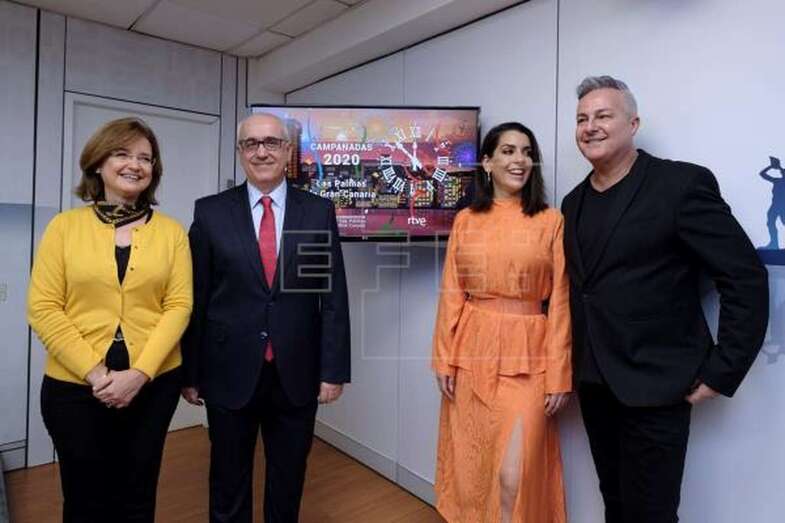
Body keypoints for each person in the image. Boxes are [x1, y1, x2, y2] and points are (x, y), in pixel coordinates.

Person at [561, 75, 769, 522]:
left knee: (652, 515)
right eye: (581, 119)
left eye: (603, 115)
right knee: (615, 505)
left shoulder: (679, 184)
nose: (590, 127)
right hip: (595, 386)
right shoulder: (572, 203)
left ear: (633, 124)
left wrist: (723, 369)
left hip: (657, 385)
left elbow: (744, 277)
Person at [181, 113, 350, 523]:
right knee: (228, 482)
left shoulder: (317, 212)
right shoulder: (210, 212)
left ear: (288, 150)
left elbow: (331, 296)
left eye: (272, 142)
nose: (261, 152)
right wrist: (190, 372)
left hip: (296, 372)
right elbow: (196, 298)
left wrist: (333, 371)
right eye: (251, 143)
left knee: (287, 482)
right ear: (240, 152)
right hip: (228, 370)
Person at [27, 117, 193, 522]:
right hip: (74, 387)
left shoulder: (172, 233)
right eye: (122, 153)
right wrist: (97, 374)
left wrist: (139, 374)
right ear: (98, 163)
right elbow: (43, 307)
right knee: (84, 499)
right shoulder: (64, 227)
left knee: (138, 494)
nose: (135, 164)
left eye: (145, 158)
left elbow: (179, 306)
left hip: (153, 384)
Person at [432, 122, 572, 523]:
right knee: (475, 468)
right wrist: (443, 358)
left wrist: (560, 374)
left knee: (514, 476)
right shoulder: (466, 220)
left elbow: (560, 301)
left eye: (527, 152)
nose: (519, 160)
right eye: (508, 151)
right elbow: (452, 293)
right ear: (487, 162)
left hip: (528, 357)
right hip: (471, 353)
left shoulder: (550, 220)